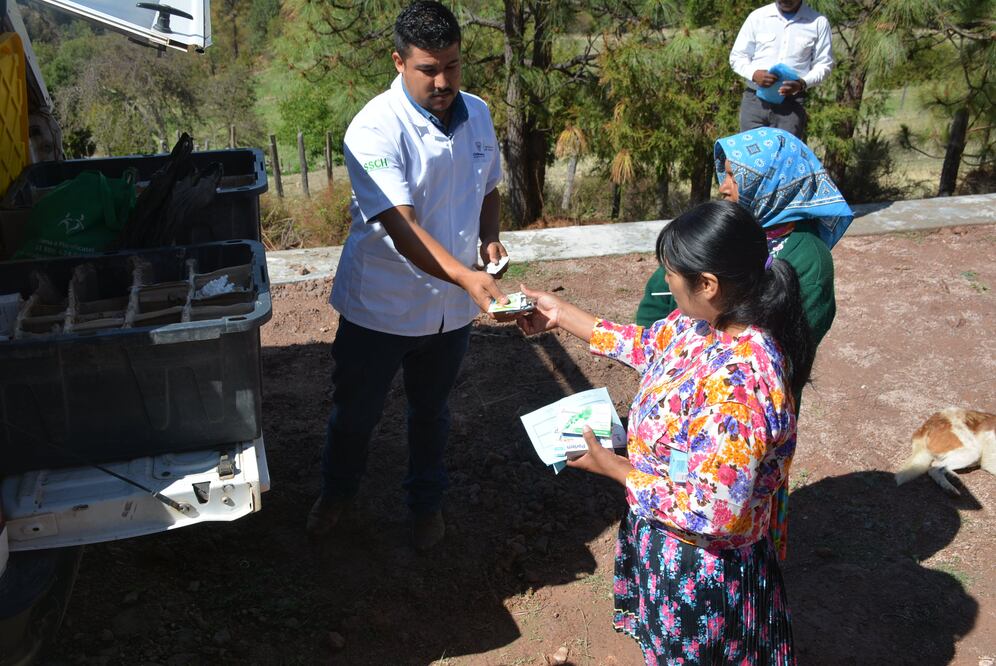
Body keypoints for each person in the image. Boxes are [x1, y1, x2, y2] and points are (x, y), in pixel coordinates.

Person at [517, 200, 813, 664]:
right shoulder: (701, 323)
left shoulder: (739, 386)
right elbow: (647, 345)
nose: (665, 281)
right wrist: (560, 313)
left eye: (670, 272)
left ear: (708, 284)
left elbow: (715, 510)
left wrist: (615, 468)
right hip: (667, 539)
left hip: (704, 571)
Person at [306, 1, 508, 552]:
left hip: (451, 314)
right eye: (428, 68)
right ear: (398, 61)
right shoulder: (373, 129)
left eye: (453, 65)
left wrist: (489, 239)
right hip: (383, 306)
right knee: (356, 413)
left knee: (431, 412)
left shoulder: (479, 113)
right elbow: (404, 229)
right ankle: (338, 495)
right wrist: (468, 279)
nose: (443, 81)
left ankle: (425, 504)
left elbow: (487, 185)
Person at [636, 127, 853, 559]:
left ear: (773, 181)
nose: (724, 185)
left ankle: (743, 569)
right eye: (726, 172)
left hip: (739, 405)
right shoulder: (726, 235)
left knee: (737, 496)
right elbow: (658, 300)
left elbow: (786, 346)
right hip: (693, 391)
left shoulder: (805, 256)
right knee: (692, 487)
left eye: (738, 176)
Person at [730, 0, 834, 138]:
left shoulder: (818, 22)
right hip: (755, 101)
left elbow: (824, 64)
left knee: (784, 157)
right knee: (750, 155)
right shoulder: (757, 17)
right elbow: (737, 56)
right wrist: (754, 74)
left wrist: (802, 83)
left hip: (791, 104)